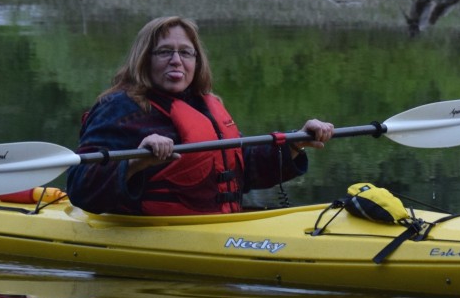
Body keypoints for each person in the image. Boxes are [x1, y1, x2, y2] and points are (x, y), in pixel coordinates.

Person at [66, 16, 334, 214]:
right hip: (151, 232)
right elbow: (80, 187)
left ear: (197, 61)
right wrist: (136, 161)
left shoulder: (206, 104)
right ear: (144, 59)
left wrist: (295, 143)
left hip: (218, 228)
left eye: (185, 52)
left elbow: (245, 168)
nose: (176, 60)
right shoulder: (120, 108)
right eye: (164, 52)